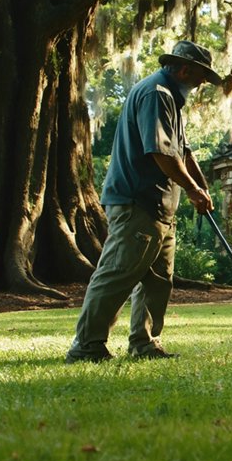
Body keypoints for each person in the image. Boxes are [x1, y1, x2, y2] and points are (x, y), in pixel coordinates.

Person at [66, 41, 219, 363]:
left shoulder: (171, 99)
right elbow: (160, 153)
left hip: (161, 207)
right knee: (117, 273)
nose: (202, 82)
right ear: (184, 69)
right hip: (137, 202)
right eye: (201, 75)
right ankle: (87, 346)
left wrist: (201, 189)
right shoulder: (156, 94)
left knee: (158, 280)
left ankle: (145, 344)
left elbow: (183, 152)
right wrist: (193, 190)